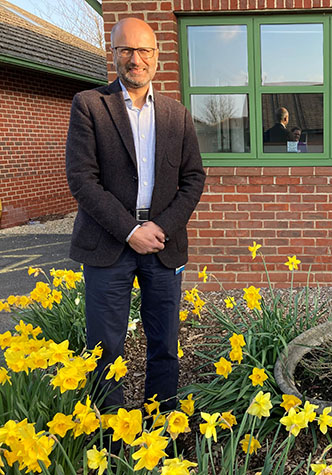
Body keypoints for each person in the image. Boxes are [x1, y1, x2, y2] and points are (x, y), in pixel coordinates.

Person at [65, 17, 206, 412]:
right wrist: (130, 230)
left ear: (157, 56)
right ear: (113, 54)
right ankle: (112, 436)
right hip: (108, 243)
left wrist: (159, 226)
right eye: (126, 50)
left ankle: (161, 425)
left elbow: (194, 178)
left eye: (144, 50)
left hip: (163, 244)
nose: (136, 59)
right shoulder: (90, 105)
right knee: (104, 348)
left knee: (164, 344)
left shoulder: (177, 114)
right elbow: (82, 180)